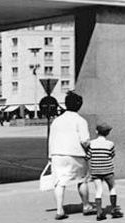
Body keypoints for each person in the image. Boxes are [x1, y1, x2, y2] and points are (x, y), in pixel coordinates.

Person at [48, 91, 95, 220]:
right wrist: (89, 149)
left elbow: (51, 139)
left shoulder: (56, 121)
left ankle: (59, 210)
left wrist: (50, 155)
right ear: (78, 105)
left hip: (57, 154)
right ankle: (86, 206)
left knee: (59, 183)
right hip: (76, 154)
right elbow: (85, 140)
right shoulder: (80, 120)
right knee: (82, 180)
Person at [87, 123, 123, 220]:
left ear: (96, 132)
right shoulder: (110, 144)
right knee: (112, 188)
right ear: (107, 133)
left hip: (95, 170)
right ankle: (114, 210)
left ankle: (99, 213)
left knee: (98, 190)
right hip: (108, 170)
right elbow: (112, 155)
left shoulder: (91, 143)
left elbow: (88, 156)